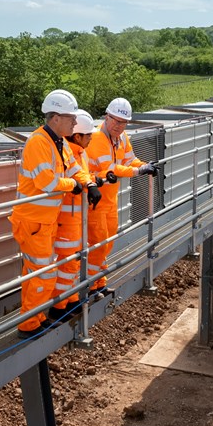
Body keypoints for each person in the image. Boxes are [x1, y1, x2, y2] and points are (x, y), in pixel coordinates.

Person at [10, 90, 100, 339]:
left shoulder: (59, 142)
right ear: (56, 118)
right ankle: (28, 325)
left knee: (36, 272)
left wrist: (89, 183)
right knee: (44, 273)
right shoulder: (39, 142)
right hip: (32, 220)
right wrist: (74, 186)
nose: (75, 122)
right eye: (71, 118)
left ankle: (35, 318)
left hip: (44, 221)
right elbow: (46, 182)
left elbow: (73, 169)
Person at [85, 97, 159, 298]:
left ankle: (100, 282)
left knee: (106, 243)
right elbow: (110, 168)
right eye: (115, 120)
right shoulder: (97, 138)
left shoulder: (122, 137)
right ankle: (90, 287)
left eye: (123, 122)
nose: (119, 125)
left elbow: (130, 159)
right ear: (106, 117)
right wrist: (139, 171)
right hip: (95, 200)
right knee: (97, 244)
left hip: (110, 199)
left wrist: (145, 165)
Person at [48, 109, 100, 320]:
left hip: (75, 216)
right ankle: (59, 306)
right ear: (77, 136)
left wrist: (91, 182)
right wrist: (81, 184)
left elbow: (80, 173)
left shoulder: (77, 152)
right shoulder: (67, 150)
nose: (90, 140)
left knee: (74, 261)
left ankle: (69, 300)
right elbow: (62, 180)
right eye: (88, 136)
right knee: (67, 261)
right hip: (66, 217)